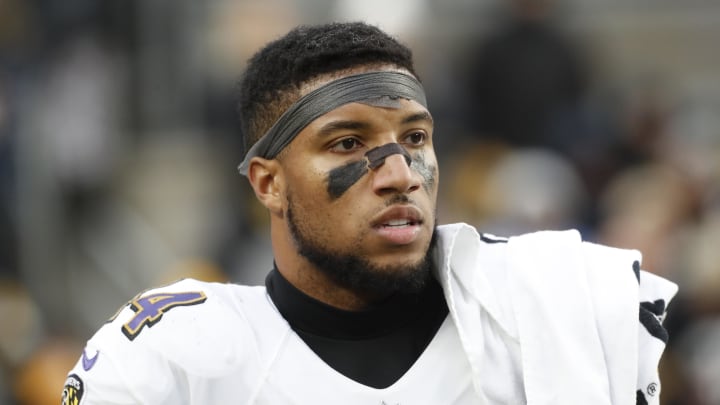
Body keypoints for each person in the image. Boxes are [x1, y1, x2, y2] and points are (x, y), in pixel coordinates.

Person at [62, 22, 678, 405]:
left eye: (414, 139)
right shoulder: (175, 356)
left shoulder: (547, 309)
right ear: (269, 184)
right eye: (347, 144)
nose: (400, 174)